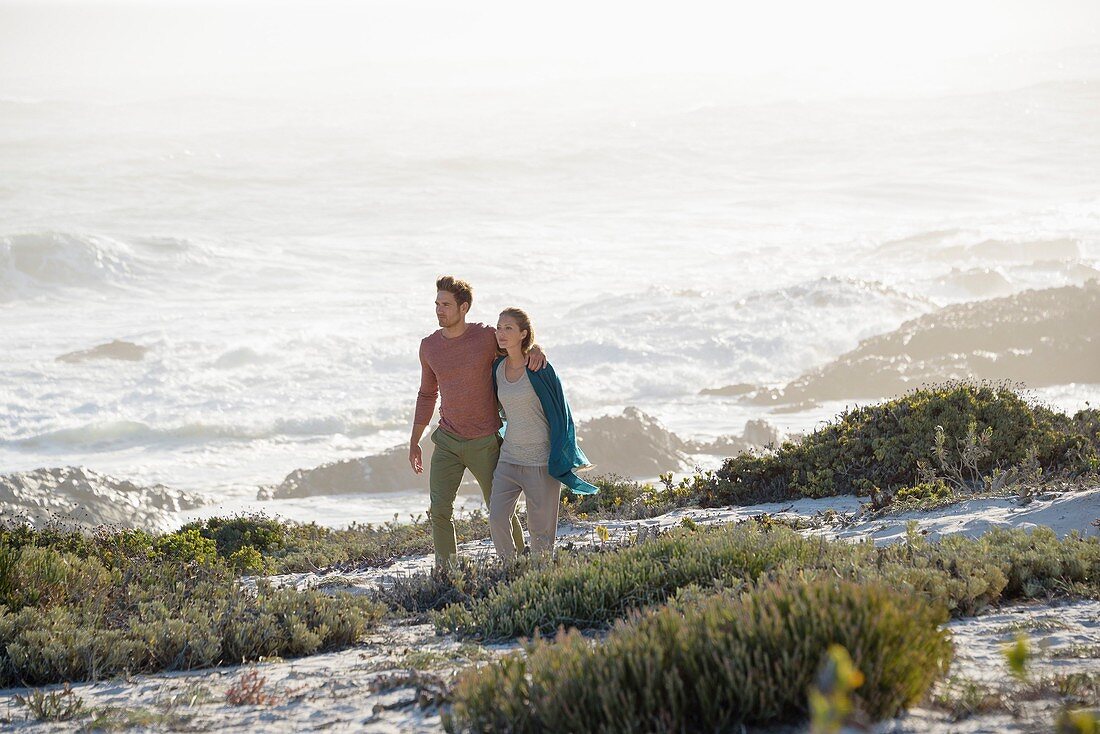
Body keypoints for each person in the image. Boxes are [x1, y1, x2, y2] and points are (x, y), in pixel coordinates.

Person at [409, 276, 545, 567]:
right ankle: (447, 571)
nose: (439, 310)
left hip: (485, 441)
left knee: (500, 510)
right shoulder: (429, 346)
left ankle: (519, 563)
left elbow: (515, 347)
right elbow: (426, 394)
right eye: (437, 304)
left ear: (464, 307)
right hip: (447, 440)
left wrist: (535, 349)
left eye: (446, 304)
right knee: (440, 511)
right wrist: (415, 441)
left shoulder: (484, 337)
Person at [489, 307, 598, 561]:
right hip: (509, 460)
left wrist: (561, 453)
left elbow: (562, 411)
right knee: (496, 518)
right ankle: (509, 568)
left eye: (508, 328)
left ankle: (540, 576)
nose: (501, 333)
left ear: (523, 334)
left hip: (540, 462)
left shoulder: (541, 368)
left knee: (541, 534)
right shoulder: (497, 368)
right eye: (499, 327)